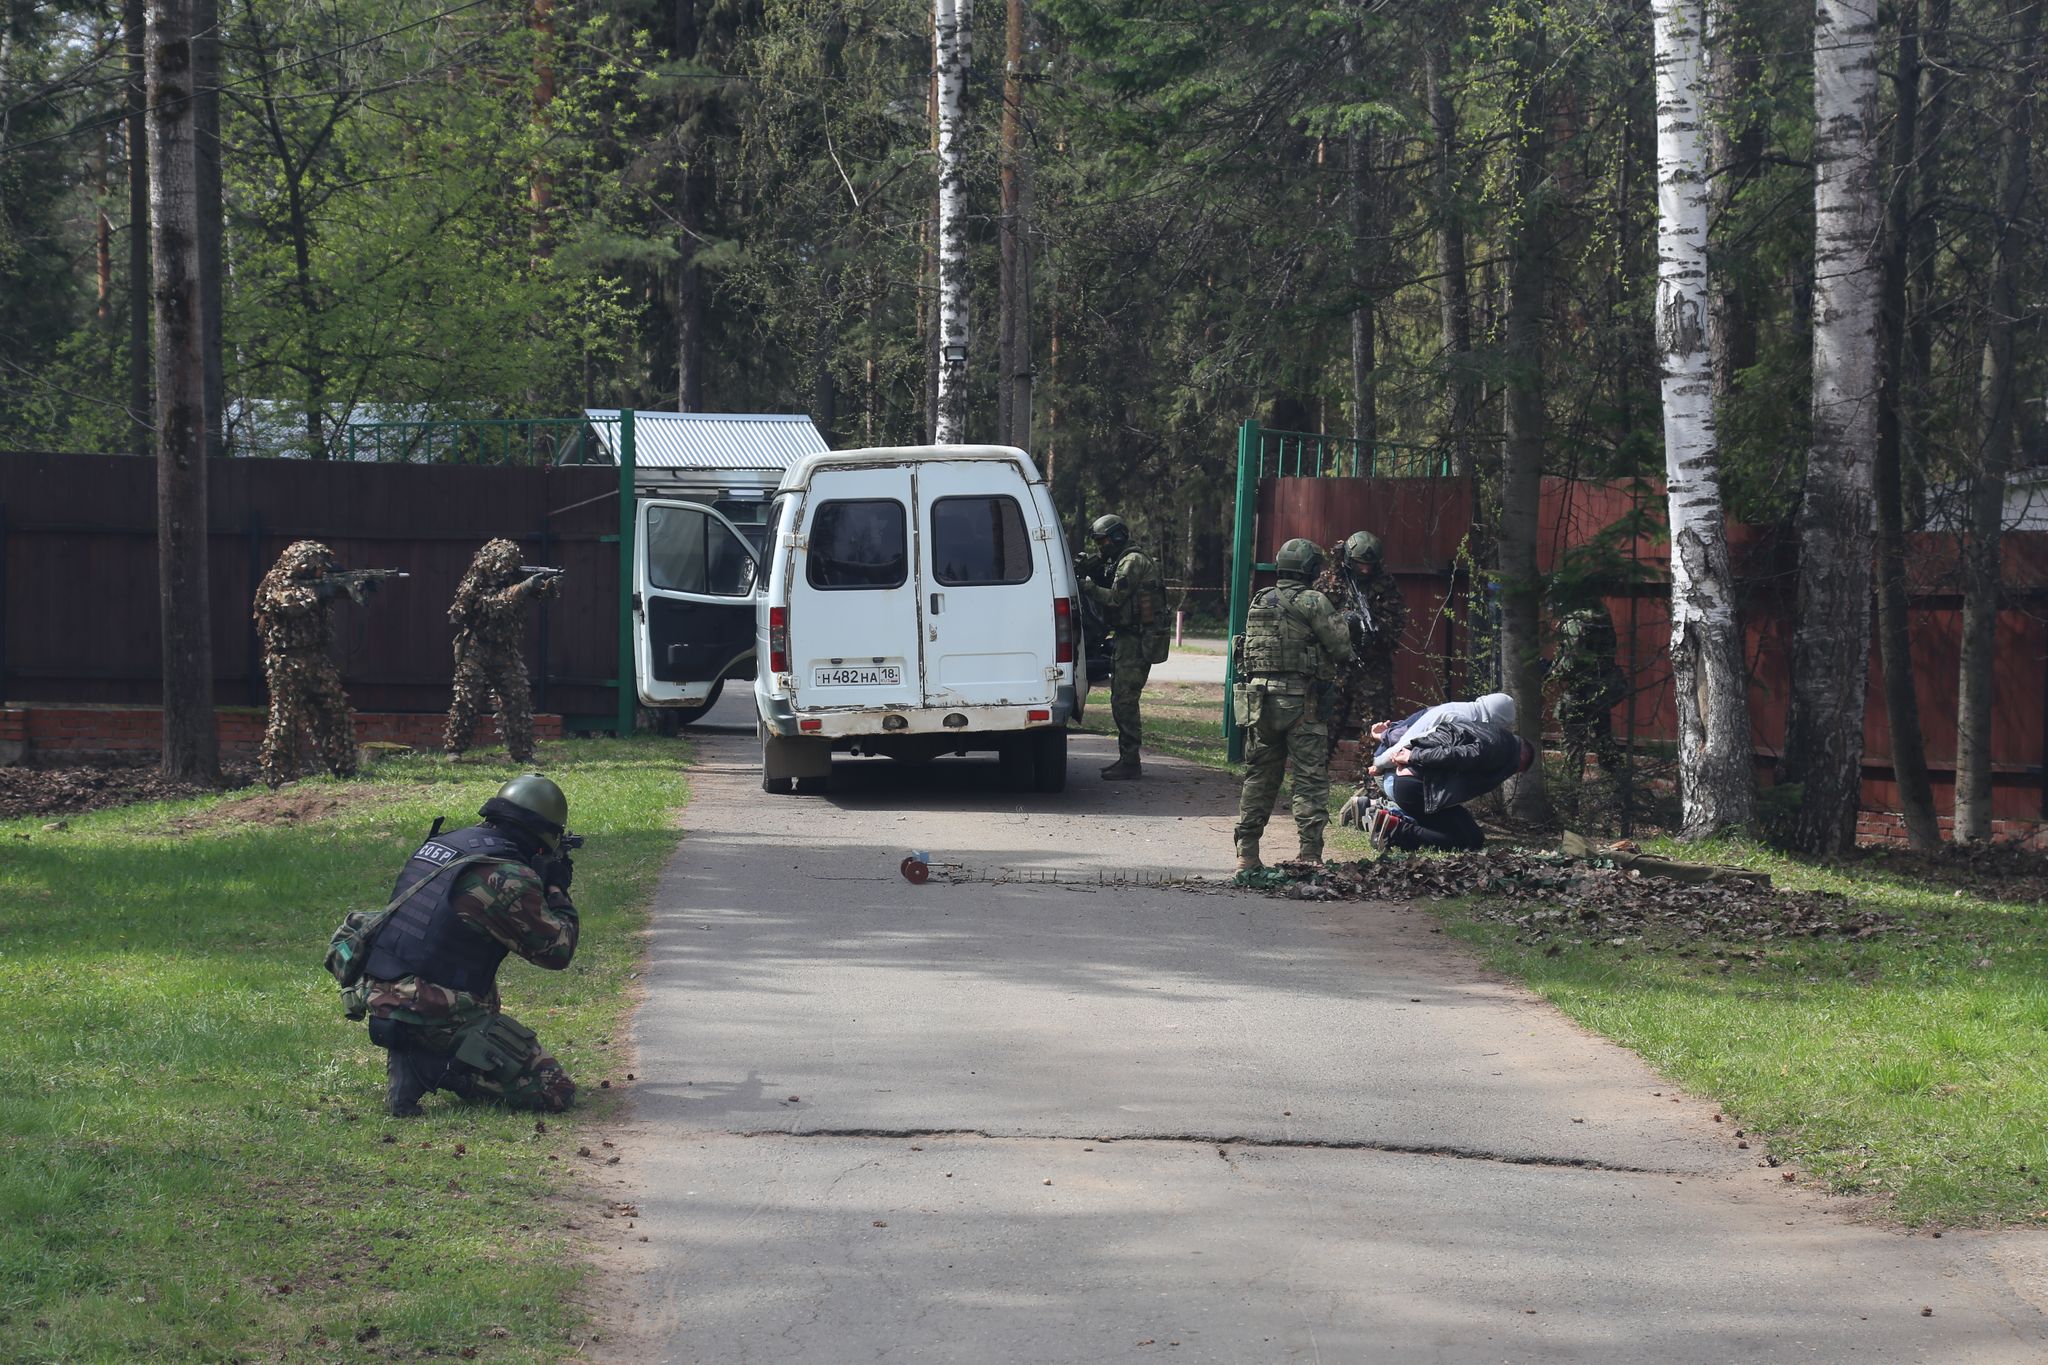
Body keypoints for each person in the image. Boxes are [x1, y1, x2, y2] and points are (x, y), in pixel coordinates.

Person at [352, 774, 582, 1117]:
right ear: (544, 837)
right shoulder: (505, 875)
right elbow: (556, 951)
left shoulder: (447, 844)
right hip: (428, 1007)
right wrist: (556, 889)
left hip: (380, 990)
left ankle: (423, 1045)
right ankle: (436, 1066)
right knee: (555, 1090)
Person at [1232, 538, 1355, 871]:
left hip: (1259, 703)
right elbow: (1341, 648)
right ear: (1310, 569)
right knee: (1309, 779)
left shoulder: (1259, 600)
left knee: (1259, 778)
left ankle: (1247, 853)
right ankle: (1310, 853)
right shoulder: (1314, 602)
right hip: (1302, 703)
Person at [1362, 692, 1533, 853]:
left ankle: (1379, 812)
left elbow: (1433, 735)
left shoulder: (1472, 723)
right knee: (1461, 839)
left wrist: (1409, 753)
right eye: (1517, 770)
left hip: (1413, 780)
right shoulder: (1499, 748)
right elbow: (1457, 755)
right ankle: (1395, 830)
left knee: (1473, 834)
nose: (1512, 773)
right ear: (1521, 758)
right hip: (1415, 786)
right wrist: (1412, 756)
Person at [253, 539, 360, 789]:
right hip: (286, 660)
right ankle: (279, 777)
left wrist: (354, 585)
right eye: (315, 566)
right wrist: (318, 592)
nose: (320, 570)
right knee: (285, 719)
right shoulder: (276, 582)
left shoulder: (316, 583)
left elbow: (340, 590)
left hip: (317, 658)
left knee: (334, 713)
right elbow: (288, 605)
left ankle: (344, 769)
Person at [444, 539, 559, 764]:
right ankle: (454, 749)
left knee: (517, 700)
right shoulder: (476, 582)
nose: (507, 571)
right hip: (475, 648)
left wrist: (548, 585)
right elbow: (487, 605)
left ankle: (522, 753)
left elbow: (540, 596)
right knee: (467, 700)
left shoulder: (515, 578)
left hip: (504, 649)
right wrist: (523, 588)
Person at [1078, 513, 1167, 781]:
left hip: (1138, 640)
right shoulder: (1121, 561)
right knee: (1120, 699)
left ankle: (1130, 762)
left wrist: (1086, 586)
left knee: (1125, 701)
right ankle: (1128, 759)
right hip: (1128, 638)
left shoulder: (1131, 562)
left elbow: (1115, 599)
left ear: (1117, 536)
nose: (1101, 546)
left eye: (1103, 540)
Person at [1313, 530, 1407, 753]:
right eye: (1359, 564)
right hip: (1334, 669)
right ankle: (1311, 785)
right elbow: (1313, 620)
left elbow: (1396, 625)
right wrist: (1344, 622)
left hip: (1372, 670)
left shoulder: (1385, 585)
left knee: (1376, 732)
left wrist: (1375, 631)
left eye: (1370, 564)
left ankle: (1371, 784)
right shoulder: (1328, 582)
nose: (1365, 569)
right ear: (1348, 559)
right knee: (1324, 730)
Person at [1551, 598, 1627, 816]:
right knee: (1604, 743)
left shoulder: (1574, 617)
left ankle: (1568, 806)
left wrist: (1553, 670)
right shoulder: (1599, 611)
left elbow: (1572, 661)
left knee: (1573, 748)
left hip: (1580, 692)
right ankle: (1622, 797)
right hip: (1601, 688)